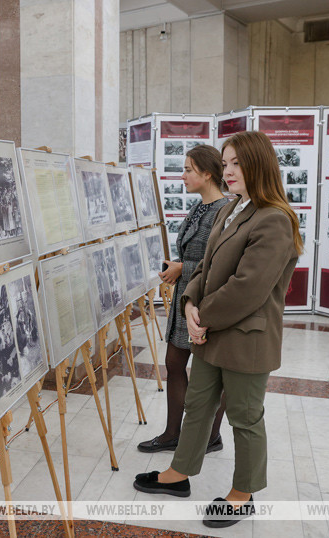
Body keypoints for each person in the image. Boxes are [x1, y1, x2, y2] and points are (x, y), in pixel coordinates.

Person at [133, 131, 302, 530]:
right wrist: (190, 303)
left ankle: (242, 495)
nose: (228, 171)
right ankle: (178, 474)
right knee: (198, 405)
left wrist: (200, 315)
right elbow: (206, 268)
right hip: (210, 331)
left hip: (246, 340)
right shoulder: (233, 210)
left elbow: (248, 288)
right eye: (225, 164)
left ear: (259, 165)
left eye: (236, 164)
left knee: (244, 417)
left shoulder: (274, 219)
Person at [137, 144, 231, 455]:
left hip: (208, 302)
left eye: (189, 169)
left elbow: (222, 263)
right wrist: (177, 267)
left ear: (207, 174)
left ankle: (211, 435)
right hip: (185, 298)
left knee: (210, 374)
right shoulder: (199, 208)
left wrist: (183, 268)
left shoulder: (225, 211)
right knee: (174, 363)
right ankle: (172, 433)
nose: (183, 175)